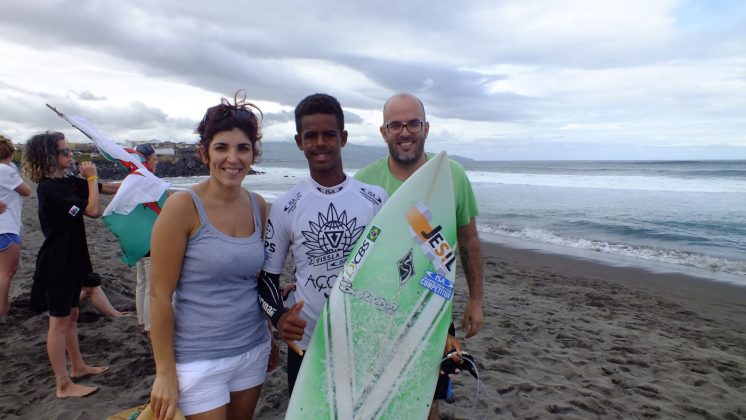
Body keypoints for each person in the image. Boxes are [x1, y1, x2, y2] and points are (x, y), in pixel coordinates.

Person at [354, 92, 484, 419]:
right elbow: (355, 254)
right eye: (395, 125)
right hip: (378, 311)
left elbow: (469, 242)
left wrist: (476, 300)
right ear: (383, 132)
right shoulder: (364, 183)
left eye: (413, 123)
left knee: (426, 403)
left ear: (426, 127)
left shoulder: (452, 176)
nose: (405, 132)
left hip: (433, 313)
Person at [149, 92, 279, 420]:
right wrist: (164, 372)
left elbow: (253, 281)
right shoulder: (182, 207)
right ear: (204, 153)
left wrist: (270, 329)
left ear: (253, 154)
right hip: (198, 359)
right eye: (222, 147)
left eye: (243, 148)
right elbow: (160, 295)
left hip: (252, 349)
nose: (232, 159)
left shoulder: (257, 205)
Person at [257, 93, 388, 395]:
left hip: (367, 338)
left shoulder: (376, 199)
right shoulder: (286, 206)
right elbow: (267, 279)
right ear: (298, 141)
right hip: (307, 344)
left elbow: (398, 266)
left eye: (329, 134)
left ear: (343, 138)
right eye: (310, 135)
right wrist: (279, 318)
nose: (320, 143)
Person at [22, 131, 119, 398]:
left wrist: (144, 181)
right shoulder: (49, 188)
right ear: (49, 156)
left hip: (74, 258)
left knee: (72, 316)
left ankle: (77, 367)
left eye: (69, 151)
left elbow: (108, 188)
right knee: (59, 322)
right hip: (57, 262)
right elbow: (92, 211)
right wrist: (91, 177)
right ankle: (63, 384)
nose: (70, 156)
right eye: (65, 152)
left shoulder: (67, 182)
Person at [1, 135, 31, 316]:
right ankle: (2, 308)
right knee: (6, 273)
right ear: (11, 152)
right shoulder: (5, 170)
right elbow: (26, 191)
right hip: (5, 228)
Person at [134, 143, 159, 333]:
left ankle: (142, 321)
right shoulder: (147, 178)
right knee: (152, 284)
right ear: (147, 158)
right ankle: (150, 326)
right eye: (154, 157)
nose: (157, 160)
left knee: (142, 281)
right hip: (149, 236)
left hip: (136, 237)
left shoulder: (133, 178)